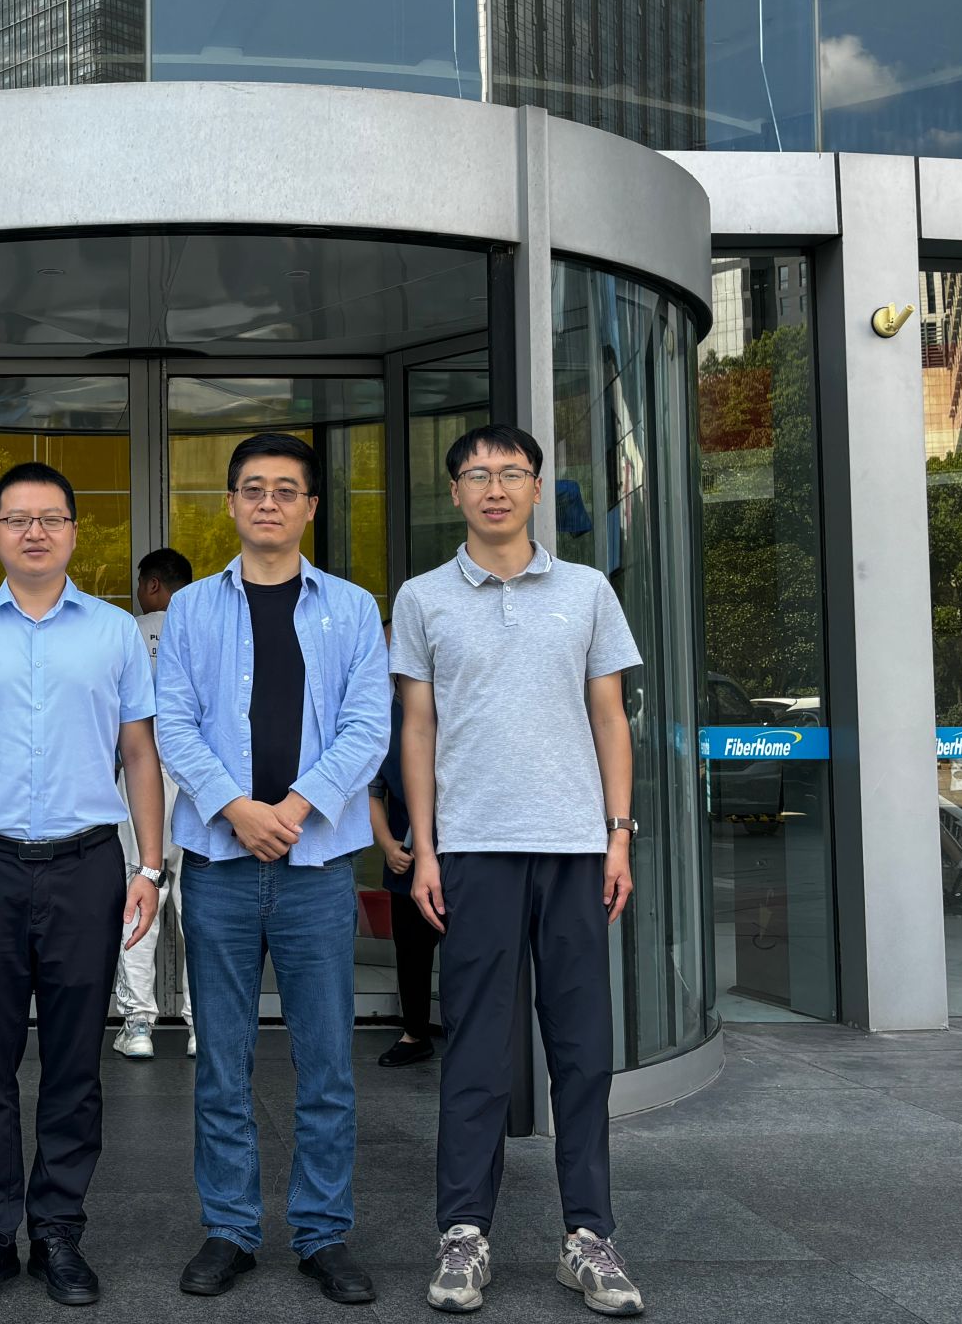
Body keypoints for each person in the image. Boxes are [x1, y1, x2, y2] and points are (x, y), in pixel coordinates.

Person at [393, 424, 645, 1318]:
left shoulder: (586, 590)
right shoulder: (422, 598)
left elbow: (610, 718)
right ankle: (463, 1235)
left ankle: (590, 1237)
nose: (494, 487)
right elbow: (416, 727)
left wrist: (619, 835)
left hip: (576, 848)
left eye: (511, 472)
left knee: (582, 1050)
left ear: (538, 488)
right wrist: (425, 847)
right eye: (476, 474)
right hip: (472, 849)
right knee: (476, 1050)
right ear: (455, 492)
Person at [0, 462, 165, 1308]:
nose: (34, 532)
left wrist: (149, 867)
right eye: (17, 519)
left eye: (51, 518)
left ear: (74, 533)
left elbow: (140, 755)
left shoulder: (115, 633)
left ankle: (57, 1230)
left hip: (87, 866)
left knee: (73, 1065)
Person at [154, 432, 390, 1306]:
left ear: (311, 508)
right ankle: (231, 1229)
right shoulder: (191, 610)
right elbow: (172, 722)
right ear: (229, 504)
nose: (268, 503)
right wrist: (236, 809)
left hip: (316, 866)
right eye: (252, 488)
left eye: (286, 490)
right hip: (219, 863)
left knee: (326, 1064)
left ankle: (323, 1233)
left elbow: (368, 727)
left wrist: (291, 810)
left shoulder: (352, 609)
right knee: (222, 1064)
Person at [113, 546, 195, 1061]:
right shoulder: (205, 629)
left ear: (152, 585)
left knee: (140, 891)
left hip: (140, 776)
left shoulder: (126, 633)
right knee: (196, 903)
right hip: (199, 780)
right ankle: (200, 1025)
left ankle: (138, 1022)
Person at [369, 625, 442, 1068]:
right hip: (406, 855)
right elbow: (372, 792)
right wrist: (387, 845)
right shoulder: (380, 714)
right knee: (412, 950)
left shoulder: (452, 699)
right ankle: (415, 1032)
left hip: (462, 849)